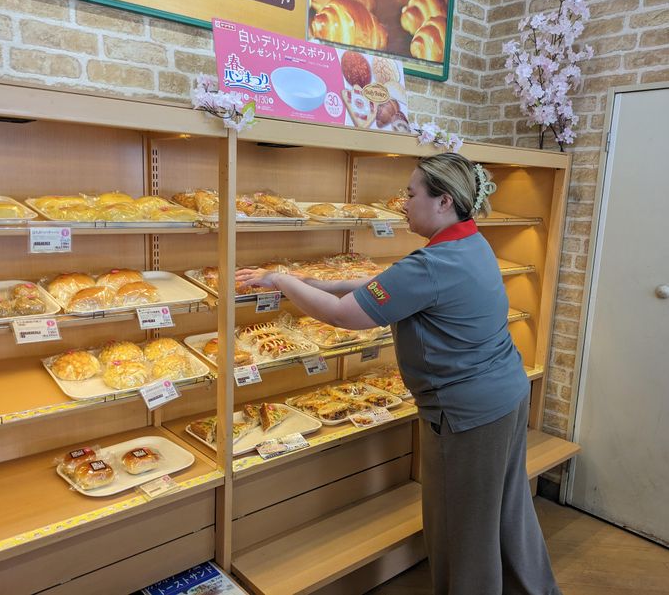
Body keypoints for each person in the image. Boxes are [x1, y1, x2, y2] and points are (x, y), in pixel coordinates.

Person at [236, 152, 561, 595]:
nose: (403, 203)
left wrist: (281, 280)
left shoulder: (432, 264)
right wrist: (312, 281)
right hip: (505, 394)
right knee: (506, 512)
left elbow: (343, 316)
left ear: (444, 201)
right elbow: (388, 285)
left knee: (461, 530)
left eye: (410, 194)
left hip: (466, 414)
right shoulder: (469, 243)